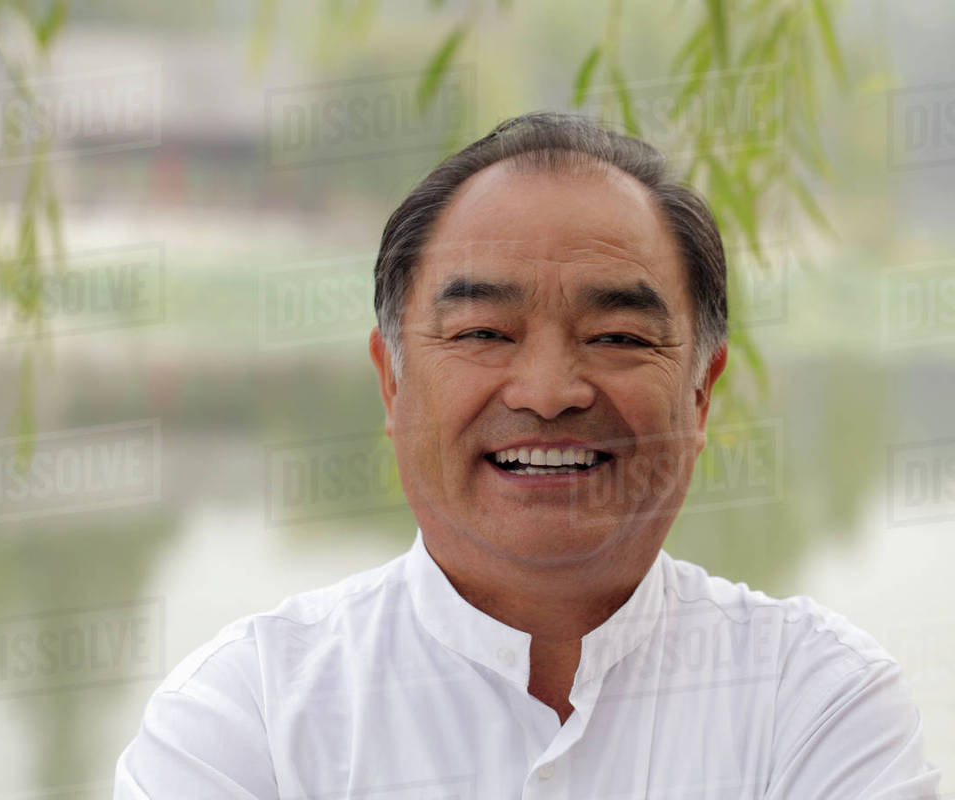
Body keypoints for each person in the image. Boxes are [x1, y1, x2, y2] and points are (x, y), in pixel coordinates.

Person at [114, 112, 942, 799]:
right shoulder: (245, 719)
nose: (548, 391)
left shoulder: (817, 700)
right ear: (392, 384)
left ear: (700, 394)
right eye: (483, 334)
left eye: (617, 336)